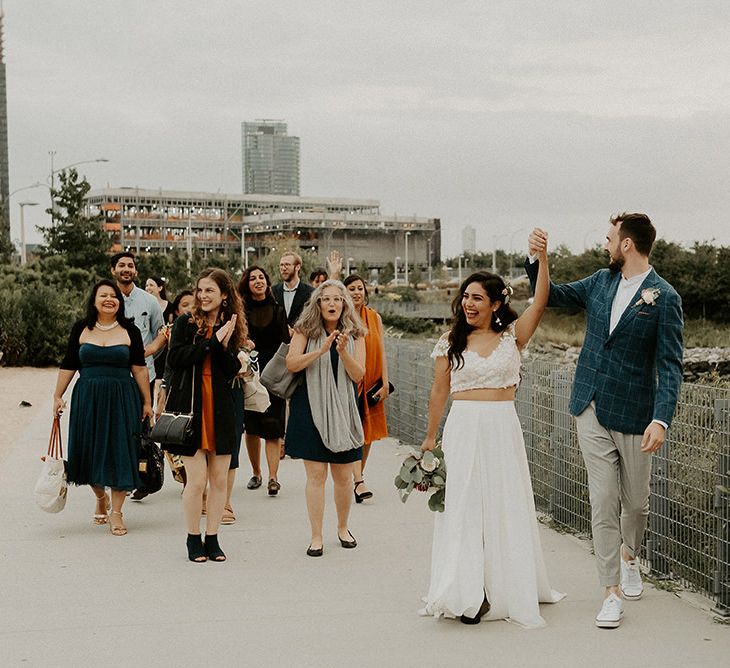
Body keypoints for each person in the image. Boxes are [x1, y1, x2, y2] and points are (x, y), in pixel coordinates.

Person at [525, 214, 683, 629]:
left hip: (634, 414)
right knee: (602, 499)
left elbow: (670, 367)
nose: (605, 244)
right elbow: (552, 296)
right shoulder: (600, 281)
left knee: (635, 503)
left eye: (610, 238)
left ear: (627, 244)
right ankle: (610, 591)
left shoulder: (664, 297)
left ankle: (632, 556)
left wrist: (661, 420)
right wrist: (537, 258)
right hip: (589, 406)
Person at [420, 252, 564, 627]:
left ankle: (503, 584)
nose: (468, 303)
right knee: (465, 507)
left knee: (502, 503)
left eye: (477, 298)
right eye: (465, 296)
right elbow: (438, 392)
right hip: (464, 428)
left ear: (496, 303)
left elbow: (541, 299)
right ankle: (470, 591)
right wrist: (429, 439)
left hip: (502, 428)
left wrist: (542, 261)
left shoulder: (512, 337)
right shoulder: (449, 341)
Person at [52, 280, 153, 537]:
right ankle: (100, 497)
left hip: (122, 396)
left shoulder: (130, 330)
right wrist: (57, 396)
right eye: (103, 295)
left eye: (114, 296)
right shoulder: (81, 328)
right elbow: (69, 364)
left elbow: (139, 368)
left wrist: (147, 402)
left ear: (120, 302)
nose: (109, 299)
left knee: (120, 449)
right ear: (94, 300)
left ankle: (117, 512)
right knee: (88, 449)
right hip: (88, 396)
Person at [164, 268, 248, 563]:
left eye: (210, 290)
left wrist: (226, 345)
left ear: (225, 295)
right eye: (200, 290)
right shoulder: (186, 323)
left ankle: (212, 537)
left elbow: (231, 370)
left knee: (219, 481)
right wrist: (213, 342)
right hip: (192, 407)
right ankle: (192, 537)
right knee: (196, 481)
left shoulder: (233, 325)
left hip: (223, 407)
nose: (203, 296)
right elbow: (176, 358)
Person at [285, 280, 367, 556]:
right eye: (326, 299)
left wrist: (343, 353)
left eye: (337, 299)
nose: (332, 304)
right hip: (310, 407)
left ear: (345, 304)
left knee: (344, 477)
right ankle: (316, 535)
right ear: (317, 304)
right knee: (316, 475)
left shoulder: (356, 334)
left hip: (343, 409)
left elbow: (359, 375)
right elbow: (291, 363)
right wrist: (320, 351)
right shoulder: (304, 330)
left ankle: (343, 528)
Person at [111, 252, 166, 500]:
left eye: (130, 265)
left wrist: (150, 350)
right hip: (113, 374)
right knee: (115, 427)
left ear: (135, 270)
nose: (126, 269)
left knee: (141, 427)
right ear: (113, 270)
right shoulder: (106, 298)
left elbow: (162, 333)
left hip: (144, 373)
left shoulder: (150, 302)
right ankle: (116, 475)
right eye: (121, 265)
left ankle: (143, 477)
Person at [238, 266, 291, 497]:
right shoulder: (240, 311)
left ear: (267, 283)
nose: (258, 281)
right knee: (251, 427)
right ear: (247, 284)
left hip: (273, 375)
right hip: (249, 373)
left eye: (261, 277)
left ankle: (273, 477)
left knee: (272, 426)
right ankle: (256, 472)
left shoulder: (278, 310)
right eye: (253, 278)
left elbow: (285, 343)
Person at [343, 274, 390, 502]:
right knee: (354, 432)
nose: (357, 292)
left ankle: (357, 476)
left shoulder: (375, 318)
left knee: (367, 434)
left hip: (372, 380)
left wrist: (385, 382)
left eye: (360, 288)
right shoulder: (342, 318)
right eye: (351, 288)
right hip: (349, 381)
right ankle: (358, 481)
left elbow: (381, 351)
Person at [156, 289, 195, 487]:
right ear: (177, 310)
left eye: (193, 303)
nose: (190, 308)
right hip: (174, 385)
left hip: (195, 387)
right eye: (185, 305)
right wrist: (163, 388)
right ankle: (184, 476)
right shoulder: (172, 330)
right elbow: (169, 363)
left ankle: (192, 480)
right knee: (174, 431)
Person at [145, 276, 176, 409]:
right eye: (146, 285)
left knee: (162, 380)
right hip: (150, 348)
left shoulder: (169, 306)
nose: (148, 288)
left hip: (165, 347)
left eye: (151, 285)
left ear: (160, 288)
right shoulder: (145, 305)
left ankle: (160, 407)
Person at [272, 250, 314, 327]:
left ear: (297, 267)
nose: (283, 268)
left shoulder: (311, 293)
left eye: (287, 264)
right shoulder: (272, 292)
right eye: (281, 265)